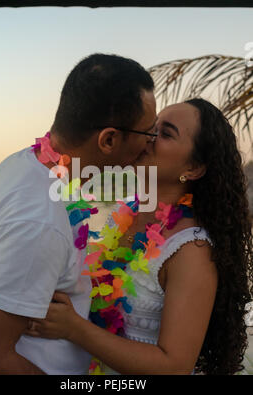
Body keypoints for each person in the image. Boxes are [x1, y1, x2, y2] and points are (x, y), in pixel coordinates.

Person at [0, 53, 157, 375]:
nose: (151, 146)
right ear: (109, 139)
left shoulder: (25, 166)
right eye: (149, 134)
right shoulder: (38, 221)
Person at [24, 98, 253, 375]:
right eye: (152, 128)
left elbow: (175, 365)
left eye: (165, 134)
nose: (148, 138)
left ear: (193, 168)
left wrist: (74, 328)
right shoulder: (124, 217)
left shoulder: (192, 247)